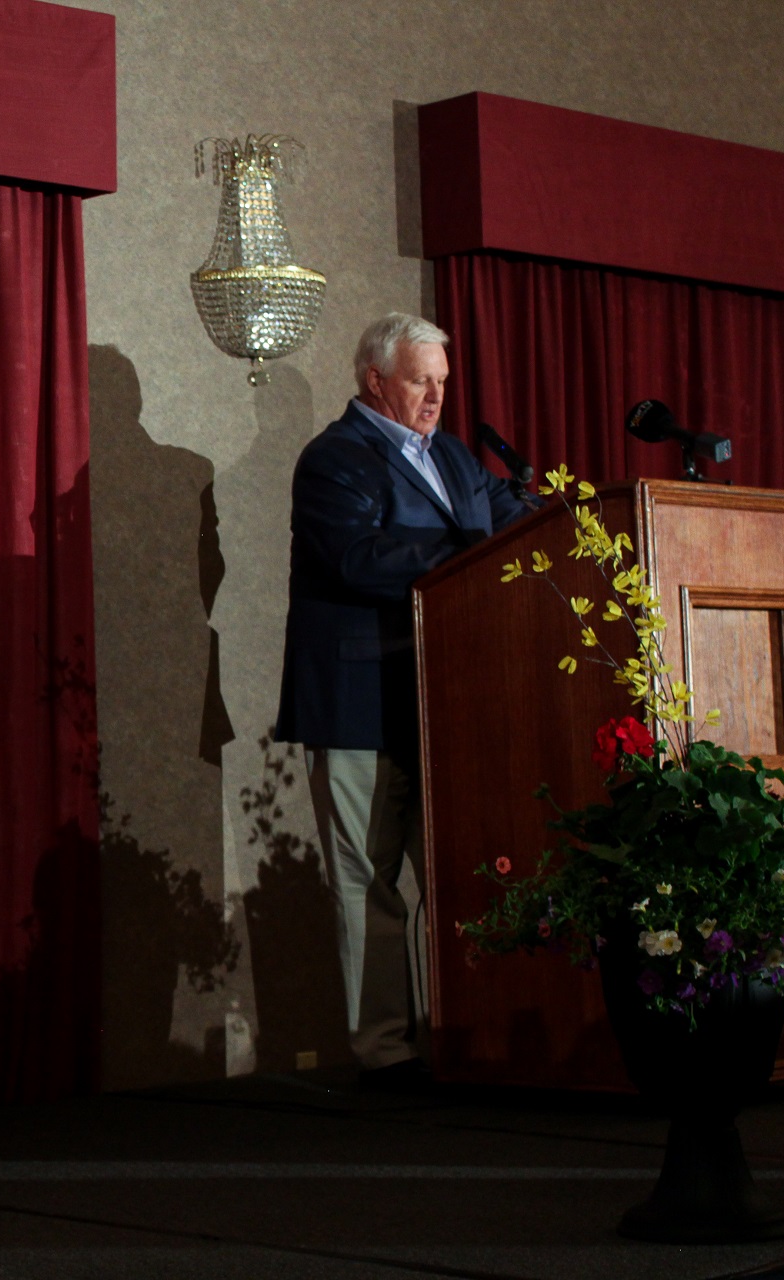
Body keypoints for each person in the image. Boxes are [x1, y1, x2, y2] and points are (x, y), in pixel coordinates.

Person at [272, 312, 534, 1083]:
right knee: (368, 885)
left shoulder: (452, 456)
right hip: (360, 702)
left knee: (464, 877)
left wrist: (571, 520)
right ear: (375, 379)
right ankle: (386, 1051)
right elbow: (359, 557)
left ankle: (475, 1037)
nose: (436, 397)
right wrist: (470, 551)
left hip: (448, 700)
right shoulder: (334, 459)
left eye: (443, 382)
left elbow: (512, 519)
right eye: (421, 381)